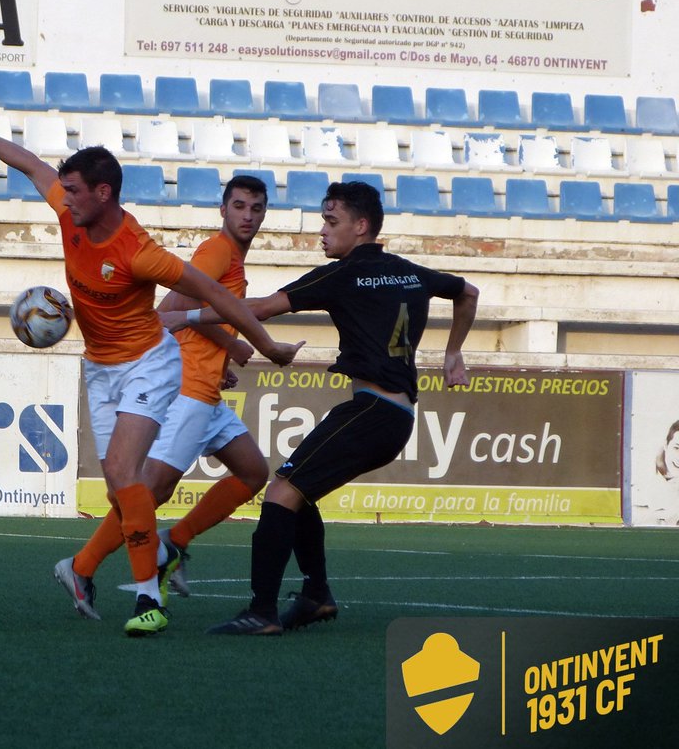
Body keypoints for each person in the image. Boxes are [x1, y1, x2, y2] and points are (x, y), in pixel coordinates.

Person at [0, 116, 303, 637]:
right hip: (100, 367)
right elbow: (30, 165)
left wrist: (264, 346)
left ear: (102, 194)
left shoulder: (139, 253)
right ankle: (102, 569)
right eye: (63, 190)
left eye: (74, 191)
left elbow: (215, 298)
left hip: (150, 363)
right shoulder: (70, 212)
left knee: (129, 474)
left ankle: (146, 601)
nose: (63, 197)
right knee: (121, 484)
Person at [165, 180, 479, 635]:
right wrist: (454, 352)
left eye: (331, 222)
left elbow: (257, 308)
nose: (323, 232)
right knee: (301, 489)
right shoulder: (409, 272)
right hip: (394, 415)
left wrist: (184, 317)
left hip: (372, 412)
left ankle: (262, 612)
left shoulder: (343, 273)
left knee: (281, 491)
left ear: (362, 225)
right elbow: (468, 292)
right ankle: (315, 596)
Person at [63, 174, 277, 602]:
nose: (247, 216)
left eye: (255, 208)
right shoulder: (217, 250)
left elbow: (195, 313)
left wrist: (224, 353)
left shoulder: (232, 256)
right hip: (187, 388)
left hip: (205, 386)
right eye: (238, 206)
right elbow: (172, 310)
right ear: (222, 210)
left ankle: (174, 542)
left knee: (253, 472)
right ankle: (81, 566)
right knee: (149, 489)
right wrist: (233, 343)